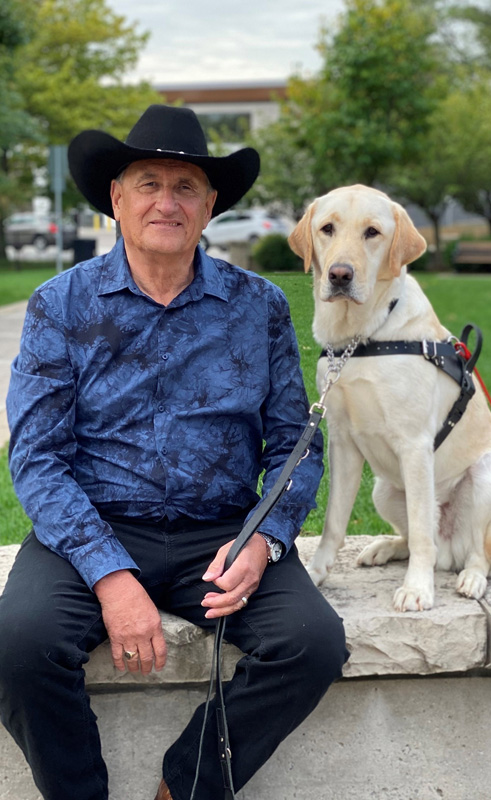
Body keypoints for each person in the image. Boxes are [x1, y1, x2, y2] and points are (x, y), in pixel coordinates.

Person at [0, 105, 348, 800]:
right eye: (149, 182)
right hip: (90, 527)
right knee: (19, 645)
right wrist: (109, 575)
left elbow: (295, 442)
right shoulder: (59, 305)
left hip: (221, 532)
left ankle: (186, 785)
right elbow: (36, 456)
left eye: (186, 186)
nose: (167, 201)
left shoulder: (259, 307)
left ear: (210, 205)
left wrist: (264, 542)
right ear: (117, 200)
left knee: (312, 644)